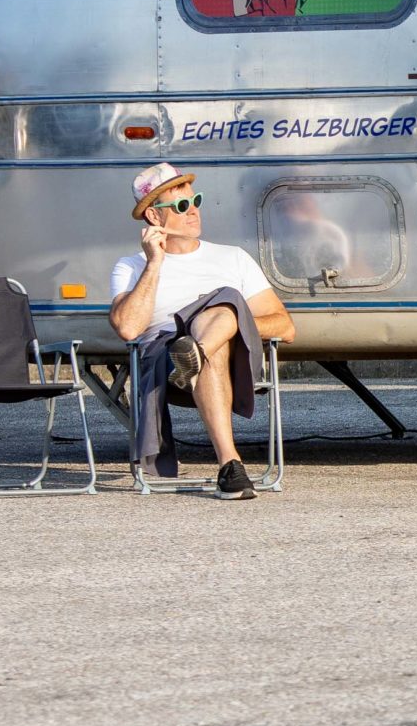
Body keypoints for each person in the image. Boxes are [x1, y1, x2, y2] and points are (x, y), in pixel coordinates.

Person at [107, 162, 296, 499]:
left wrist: (231, 321)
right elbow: (128, 328)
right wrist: (154, 264)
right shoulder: (132, 265)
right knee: (216, 325)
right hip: (166, 366)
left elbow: (285, 325)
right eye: (181, 206)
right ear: (154, 218)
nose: (193, 211)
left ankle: (197, 353)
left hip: (231, 361)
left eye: (196, 201)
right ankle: (230, 464)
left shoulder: (232, 258)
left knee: (225, 303)